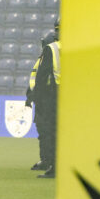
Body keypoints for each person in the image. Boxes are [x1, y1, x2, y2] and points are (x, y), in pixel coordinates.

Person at [25, 30, 57, 171]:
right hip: (40, 98)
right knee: (43, 132)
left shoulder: (48, 57)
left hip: (47, 99)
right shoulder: (41, 59)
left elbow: (42, 80)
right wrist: (30, 96)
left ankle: (48, 161)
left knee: (46, 132)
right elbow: (34, 80)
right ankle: (46, 159)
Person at [34, 17, 60, 178]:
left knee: (53, 132)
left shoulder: (52, 48)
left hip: (56, 95)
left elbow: (41, 76)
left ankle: (54, 167)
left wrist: (39, 98)